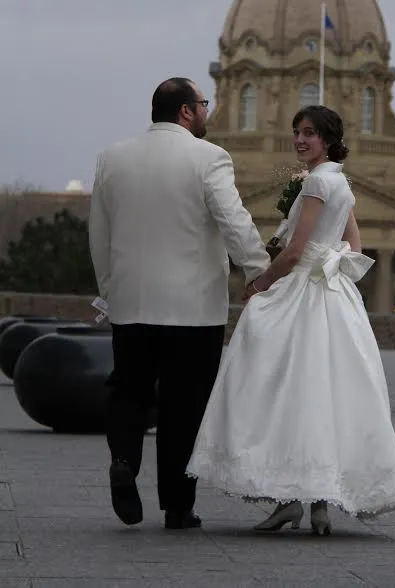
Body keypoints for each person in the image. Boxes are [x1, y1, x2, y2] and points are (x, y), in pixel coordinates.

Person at [187, 105, 395, 535]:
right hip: (335, 298)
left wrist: (260, 284)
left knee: (284, 390)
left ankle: (291, 499)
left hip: (304, 293)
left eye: (308, 133)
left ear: (328, 139)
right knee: (326, 395)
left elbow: (294, 252)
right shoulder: (341, 182)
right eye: (296, 132)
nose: (299, 140)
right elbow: (354, 244)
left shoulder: (314, 181)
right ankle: (319, 507)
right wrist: (326, 260)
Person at [89, 77, 269, 530]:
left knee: (128, 391)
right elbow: (234, 221)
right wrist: (258, 271)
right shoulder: (209, 157)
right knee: (183, 407)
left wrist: (111, 289)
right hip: (192, 309)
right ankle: (177, 505)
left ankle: (124, 461)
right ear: (187, 112)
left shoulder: (113, 158)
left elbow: (99, 235)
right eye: (204, 104)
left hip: (132, 303)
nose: (208, 112)